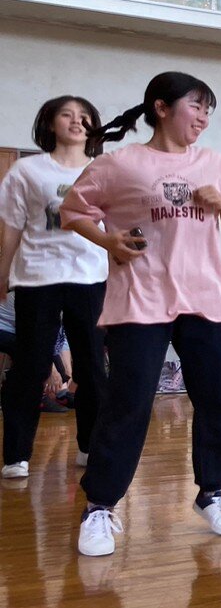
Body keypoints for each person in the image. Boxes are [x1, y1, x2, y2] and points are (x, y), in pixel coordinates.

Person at [61, 70, 221, 556]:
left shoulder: (215, 164)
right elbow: (73, 211)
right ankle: (101, 506)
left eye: (208, 110)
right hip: (141, 296)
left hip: (205, 296)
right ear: (161, 107)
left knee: (215, 397)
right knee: (128, 401)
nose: (203, 117)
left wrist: (220, 202)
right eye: (196, 106)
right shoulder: (121, 164)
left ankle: (213, 493)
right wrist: (109, 240)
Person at [0, 95, 109, 480]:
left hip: (90, 278)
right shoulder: (26, 171)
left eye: (84, 117)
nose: (77, 121)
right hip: (36, 278)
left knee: (93, 367)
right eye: (67, 115)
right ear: (49, 123)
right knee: (29, 366)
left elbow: (112, 230)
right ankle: (16, 455)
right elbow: (12, 226)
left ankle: (89, 445)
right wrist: (2, 274)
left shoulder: (104, 170)